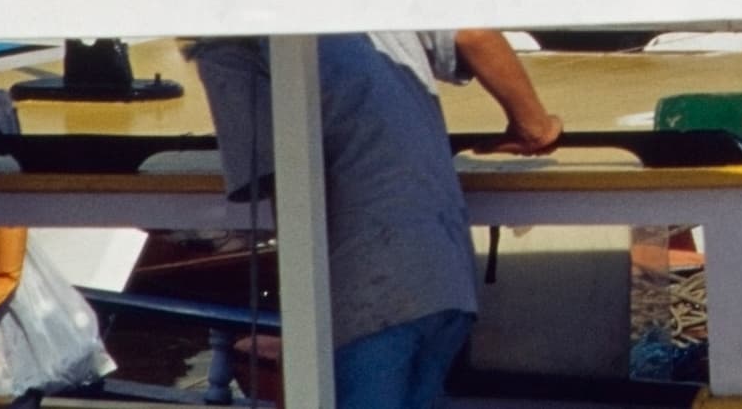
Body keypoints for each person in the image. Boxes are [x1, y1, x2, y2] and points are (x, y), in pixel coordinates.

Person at [188, 30, 559, 409]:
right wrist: (534, 124)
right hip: (445, 275)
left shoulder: (229, 45)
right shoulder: (366, 2)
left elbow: (290, 194)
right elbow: (473, 34)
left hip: (367, 293)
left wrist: (301, 343)